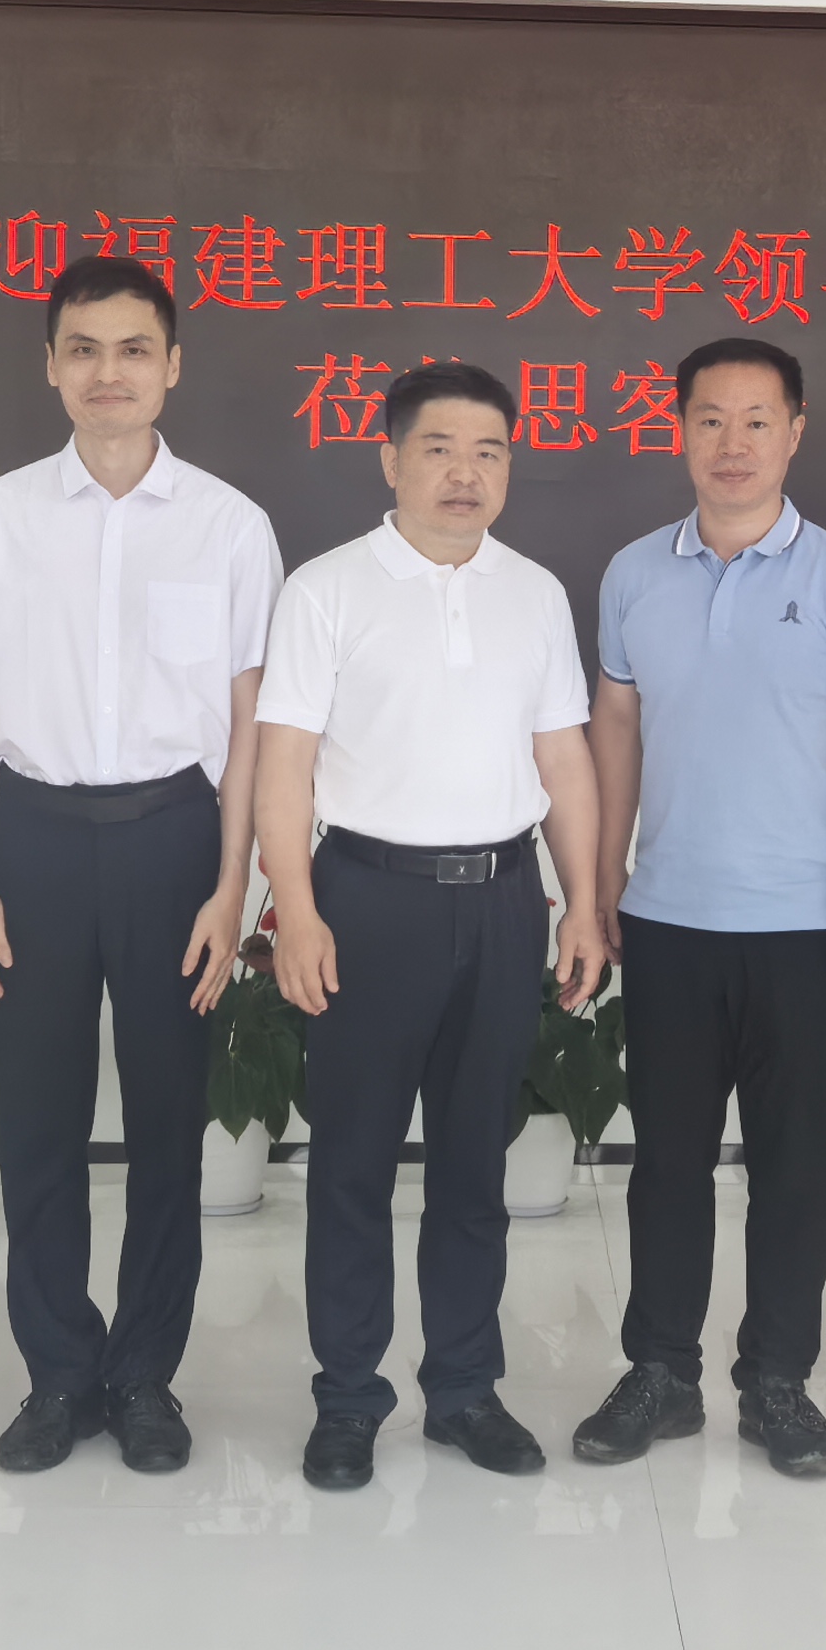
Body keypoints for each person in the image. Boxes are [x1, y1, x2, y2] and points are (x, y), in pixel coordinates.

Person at [0, 255, 279, 1479]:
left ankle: (143, 1377)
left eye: (133, 348)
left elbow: (248, 722)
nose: (107, 372)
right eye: (82, 348)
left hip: (173, 838)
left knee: (166, 1126)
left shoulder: (230, 524)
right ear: (50, 365)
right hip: (31, 838)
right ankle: (56, 1375)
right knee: (35, 1125)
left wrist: (231, 885)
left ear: (172, 365)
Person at [256, 359, 607, 1493]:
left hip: (503, 899)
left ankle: (464, 1390)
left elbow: (564, 758)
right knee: (351, 1164)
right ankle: (348, 1398)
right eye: (440, 449)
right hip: (367, 897)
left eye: (488, 452)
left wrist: (584, 900)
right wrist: (295, 909)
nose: (466, 473)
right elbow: (283, 765)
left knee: (472, 1165)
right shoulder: (326, 588)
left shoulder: (534, 592)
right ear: (390, 459)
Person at [571, 337, 826, 1482]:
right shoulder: (632, 575)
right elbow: (615, 734)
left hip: (802, 921)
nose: (732, 443)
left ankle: (777, 1382)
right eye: (709, 419)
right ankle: (661, 1371)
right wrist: (599, 886)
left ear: (794, 434)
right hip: (668, 917)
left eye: (756, 420)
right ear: (677, 430)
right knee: (666, 1162)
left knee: (792, 1167)